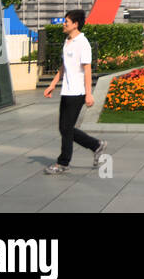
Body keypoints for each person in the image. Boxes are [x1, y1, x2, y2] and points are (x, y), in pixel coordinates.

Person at [43, 9, 105, 173]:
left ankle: (63, 163)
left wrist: (89, 93)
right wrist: (53, 84)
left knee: (66, 128)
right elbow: (64, 67)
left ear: (75, 24)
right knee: (65, 128)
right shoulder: (68, 41)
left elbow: (87, 69)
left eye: (66, 22)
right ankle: (96, 145)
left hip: (77, 92)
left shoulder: (83, 43)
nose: (64, 24)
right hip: (66, 91)